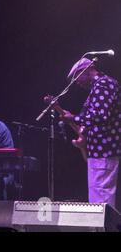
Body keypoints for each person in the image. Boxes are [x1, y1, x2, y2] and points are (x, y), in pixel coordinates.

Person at [61, 58, 121, 207]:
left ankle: (102, 229)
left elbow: (101, 116)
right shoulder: (98, 86)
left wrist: (75, 117)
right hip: (99, 151)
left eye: (77, 77)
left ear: (87, 71)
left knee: (101, 201)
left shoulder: (103, 84)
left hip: (105, 150)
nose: (76, 82)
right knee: (97, 199)